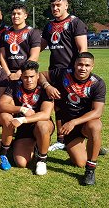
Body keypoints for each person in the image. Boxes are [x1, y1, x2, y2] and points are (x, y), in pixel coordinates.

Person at [39, 52, 105, 185]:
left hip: (84, 123)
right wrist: (48, 86)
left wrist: (74, 122)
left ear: (92, 67)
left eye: (87, 65)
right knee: (80, 162)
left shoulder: (97, 83)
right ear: (74, 64)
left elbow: (97, 112)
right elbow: (41, 75)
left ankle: (90, 170)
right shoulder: (63, 73)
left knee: (95, 126)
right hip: (69, 128)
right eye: (80, 64)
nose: (83, 68)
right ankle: (94, 147)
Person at [41, 0, 88, 151]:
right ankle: (61, 139)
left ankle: (86, 138)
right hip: (55, 71)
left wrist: (79, 71)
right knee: (59, 105)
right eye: (53, 5)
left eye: (58, 5)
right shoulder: (49, 25)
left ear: (66, 5)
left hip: (71, 71)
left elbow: (83, 49)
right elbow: (40, 45)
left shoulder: (75, 22)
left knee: (77, 104)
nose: (55, 8)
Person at [0, 61, 54, 175]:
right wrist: (22, 109)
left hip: (40, 124)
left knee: (42, 125)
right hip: (23, 128)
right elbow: (1, 105)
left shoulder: (44, 89)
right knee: (21, 163)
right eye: (26, 77)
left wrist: (22, 119)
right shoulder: (14, 85)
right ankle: (33, 145)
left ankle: (42, 160)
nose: (29, 80)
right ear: (21, 76)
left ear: (37, 76)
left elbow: (45, 114)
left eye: (32, 77)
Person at [0, 3, 41, 81]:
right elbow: (2, 56)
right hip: (8, 75)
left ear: (25, 16)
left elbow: (34, 56)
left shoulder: (32, 32)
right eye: (13, 14)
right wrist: (8, 74)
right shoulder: (5, 33)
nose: (16, 16)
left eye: (19, 14)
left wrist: (20, 72)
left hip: (26, 74)